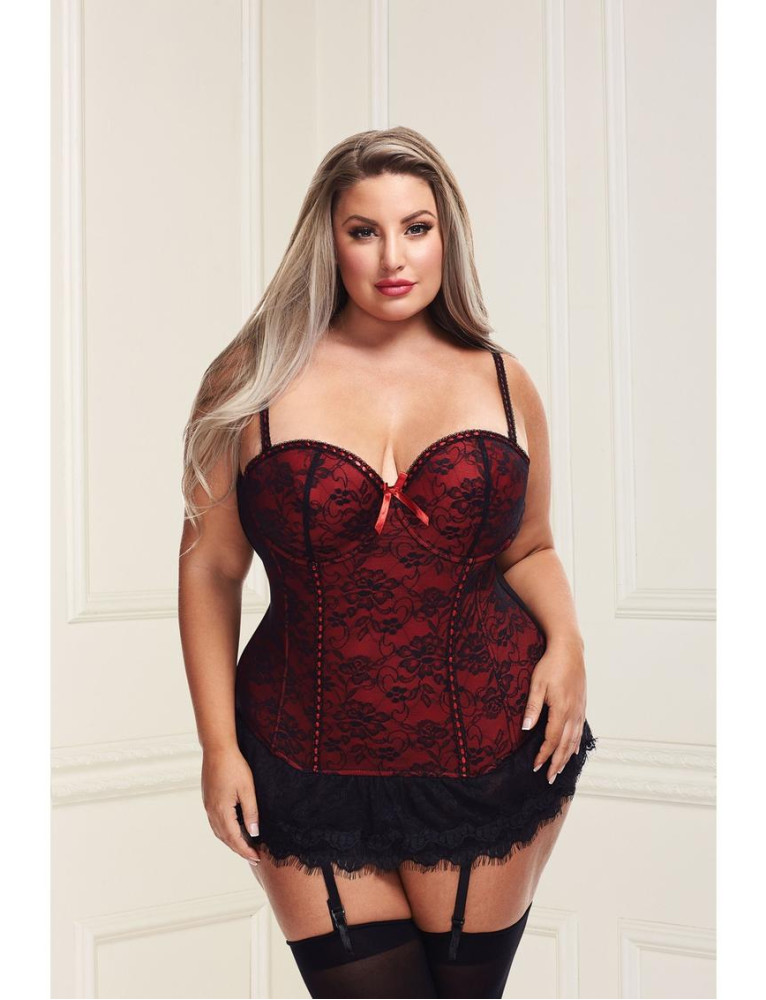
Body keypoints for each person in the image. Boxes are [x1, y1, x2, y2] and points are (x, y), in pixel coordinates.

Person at [178, 126, 597, 999]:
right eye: (363, 231)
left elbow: (529, 545)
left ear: (448, 236)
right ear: (327, 242)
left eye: (417, 227)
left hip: (491, 747)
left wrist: (568, 643)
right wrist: (218, 748)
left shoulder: (502, 380)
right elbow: (212, 569)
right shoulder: (251, 380)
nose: (393, 258)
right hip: (299, 759)